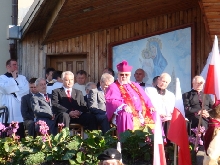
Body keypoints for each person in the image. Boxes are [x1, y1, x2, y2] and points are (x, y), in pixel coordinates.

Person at [105, 60, 154, 136]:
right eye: (122, 75)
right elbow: (111, 100)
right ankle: (127, 143)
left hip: (141, 112)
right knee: (126, 114)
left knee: (154, 114)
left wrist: (150, 106)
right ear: (118, 74)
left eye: (126, 75)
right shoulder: (113, 86)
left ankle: (153, 143)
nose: (124, 76)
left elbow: (145, 97)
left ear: (130, 75)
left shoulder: (136, 85)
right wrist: (123, 106)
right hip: (125, 112)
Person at [0, 59, 29, 138]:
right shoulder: (2, 78)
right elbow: (5, 89)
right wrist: (13, 79)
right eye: (14, 65)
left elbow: (26, 90)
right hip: (8, 108)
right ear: (8, 66)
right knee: (7, 133)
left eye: (17, 65)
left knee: (19, 133)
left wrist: (13, 91)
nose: (16, 67)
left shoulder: (22, 78)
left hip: (19, 108)